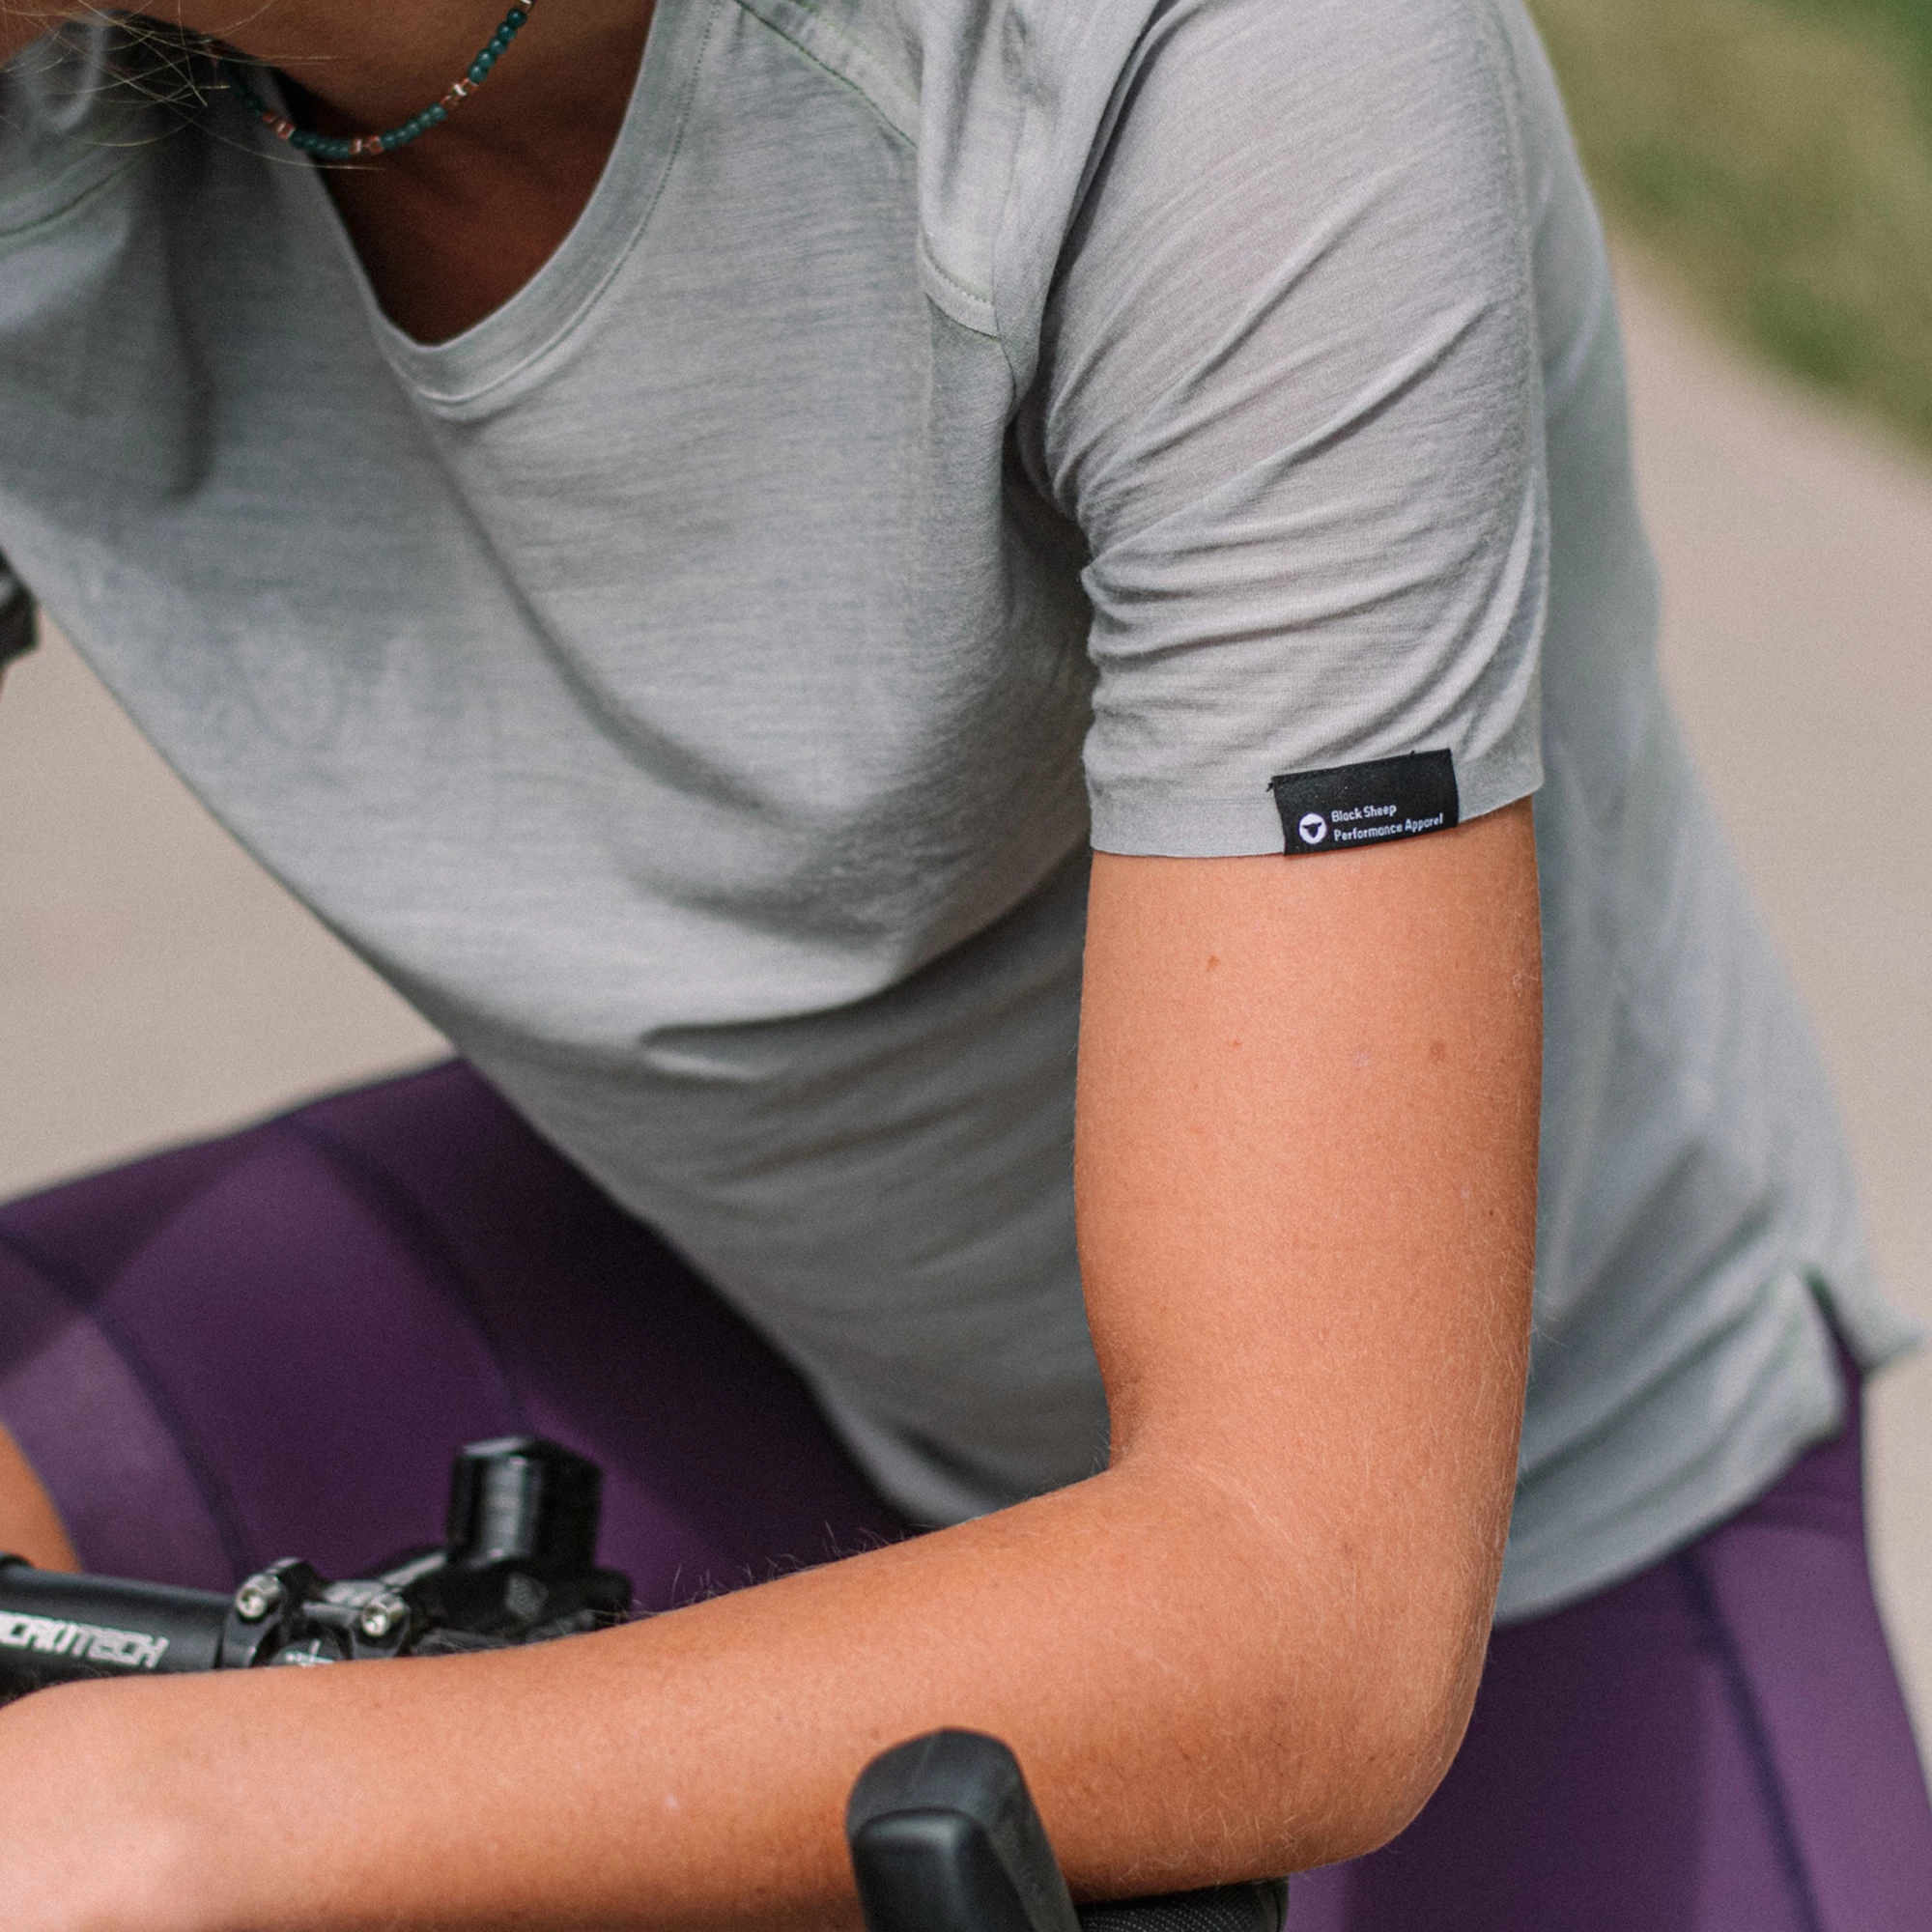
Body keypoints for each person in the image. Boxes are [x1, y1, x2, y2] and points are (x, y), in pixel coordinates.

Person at [0, 0, 1926, 1924]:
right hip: (703, 1277)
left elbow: (1299, 1583)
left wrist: (191, 1812)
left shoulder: (1220, 63)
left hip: (1524, 1510)